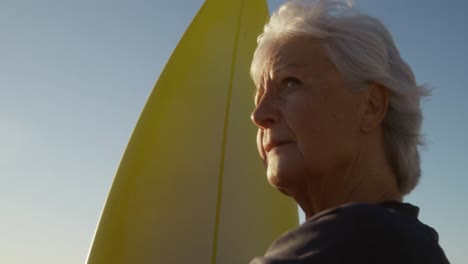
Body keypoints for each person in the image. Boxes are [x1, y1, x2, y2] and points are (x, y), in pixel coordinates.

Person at [248, 1, 450, 263]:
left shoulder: (358, 237)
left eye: (290, 82)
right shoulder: (410, 243)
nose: (258, 115)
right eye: (258, 98)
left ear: (371, 105)